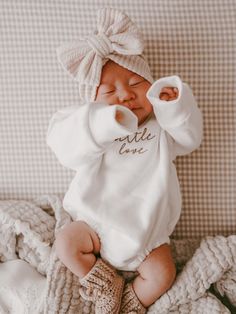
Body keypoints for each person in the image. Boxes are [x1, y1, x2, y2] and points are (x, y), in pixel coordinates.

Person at [47, 7, 203, 314]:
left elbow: (190, 139)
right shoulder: (92, 131)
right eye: (109, 91)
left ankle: (131, 302)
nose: (126, 96)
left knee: (163, 274)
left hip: (146, 235)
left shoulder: (162, 127)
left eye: (135, 84)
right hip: (93, 225)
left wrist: (171, 106)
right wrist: (105, 122)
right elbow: (63, 146)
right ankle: (105, 283)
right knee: (65, 243)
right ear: (92, 102)